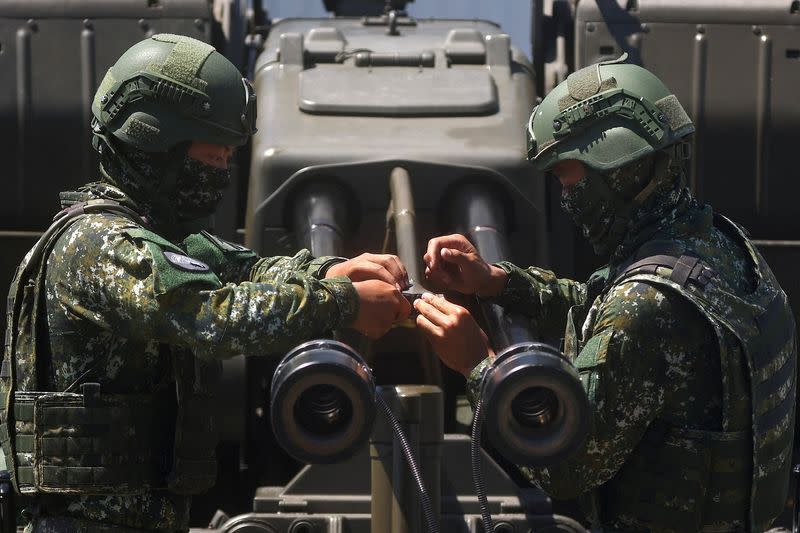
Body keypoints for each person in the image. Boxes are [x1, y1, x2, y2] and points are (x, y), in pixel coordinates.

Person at [1, 34, 411, 532]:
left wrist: (329, 271)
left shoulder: (161, 237)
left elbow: (249, 270)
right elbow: (214, 317)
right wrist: (341, 303)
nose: (220, 175)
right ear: (154, 144)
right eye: (212, 159)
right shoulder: (101, 244)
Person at [414, 56, 797, 532]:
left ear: (619, 169)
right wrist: (497, 282)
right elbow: (607, 306)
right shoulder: (720, 241)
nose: (566, 197)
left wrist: (480, 365)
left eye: (569, 176)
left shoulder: (646, 308)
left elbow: (565, 467)